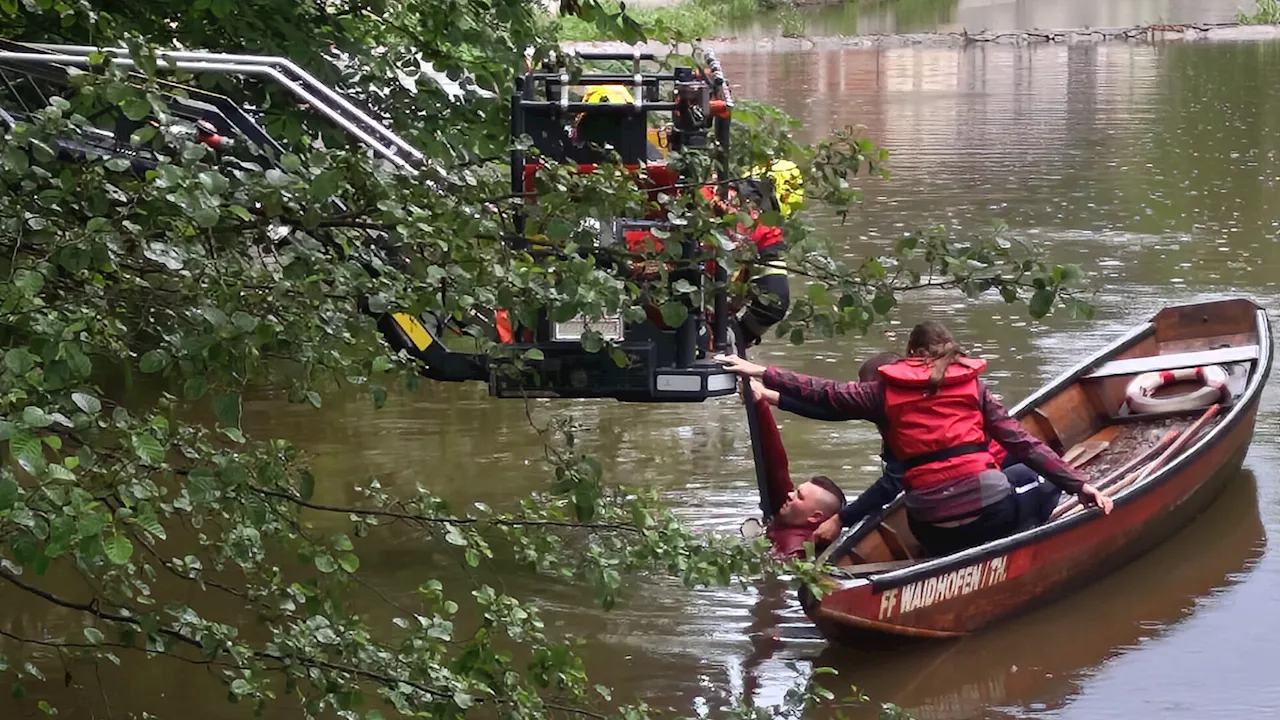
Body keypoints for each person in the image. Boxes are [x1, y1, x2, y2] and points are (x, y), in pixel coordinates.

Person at [718, 321, 1113, 558]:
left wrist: (760, 371)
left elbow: (824, 392)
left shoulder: (883, 395)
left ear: (910, 355)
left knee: (931, 499)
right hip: (990, 508)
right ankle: (1016, 540)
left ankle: (948, 551)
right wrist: (1081, 487)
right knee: (1035, 476)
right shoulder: (973, 390)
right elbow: (1024, 443)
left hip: (931, 528)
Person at [749, 393, 847, 559]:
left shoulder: (798, 552)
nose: (789, 494)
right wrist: (759, 404)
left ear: (814, 517)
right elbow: (774, 465)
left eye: (799, 497)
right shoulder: (787, 516)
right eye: (796, 491)